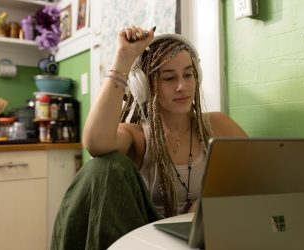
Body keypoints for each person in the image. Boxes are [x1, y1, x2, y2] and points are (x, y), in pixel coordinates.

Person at [51, 26, 247, 250]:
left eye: (188, 74)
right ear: (144, 86)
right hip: (146, 237)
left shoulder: (218, 126)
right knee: (103, 166)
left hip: (204, 234)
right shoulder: (136, 136)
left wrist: (206, 203)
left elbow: (257, 177)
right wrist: (124, 59)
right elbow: (95, 143)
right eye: (169, 78)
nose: (182, 86)